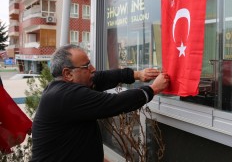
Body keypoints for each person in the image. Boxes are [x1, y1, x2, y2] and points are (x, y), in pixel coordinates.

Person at [30, 44, 169, 162]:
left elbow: (100, 77)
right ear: (68, 74)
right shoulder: (66, 96)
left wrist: (137, 74)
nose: (93, 69)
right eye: (87, 66)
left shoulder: (61, 88)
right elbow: (114, 103)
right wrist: (153, 89)